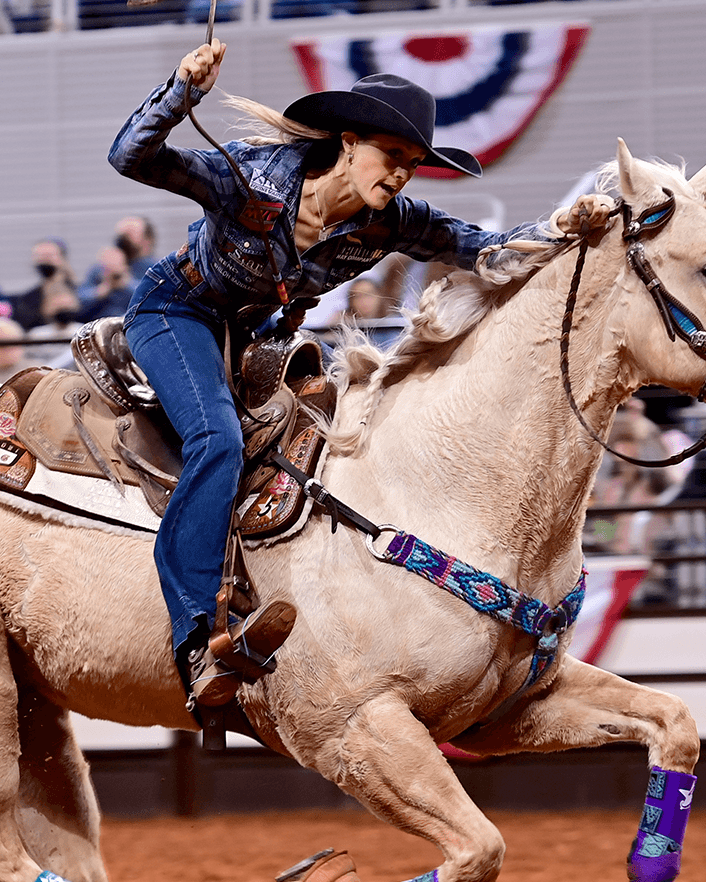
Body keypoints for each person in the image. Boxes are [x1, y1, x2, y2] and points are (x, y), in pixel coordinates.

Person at [109, 42, 591, 706]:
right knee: (217, 441)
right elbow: (132, 157)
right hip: (178, 312)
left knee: (325, 459)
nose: (400, 176)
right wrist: (182, 91)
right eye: (391, 156)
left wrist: (571, 227)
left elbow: (487, 249)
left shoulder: (391, 222)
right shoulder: (250, 177)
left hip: (260, 341)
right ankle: (197, 638)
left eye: (412, 166)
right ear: (349, 140)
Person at [9, 238, 82, 332]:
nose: (44, 261)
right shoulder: (27, 300)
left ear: (62, 259)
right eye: (40, 257)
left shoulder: (80, 292)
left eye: (49, 256)